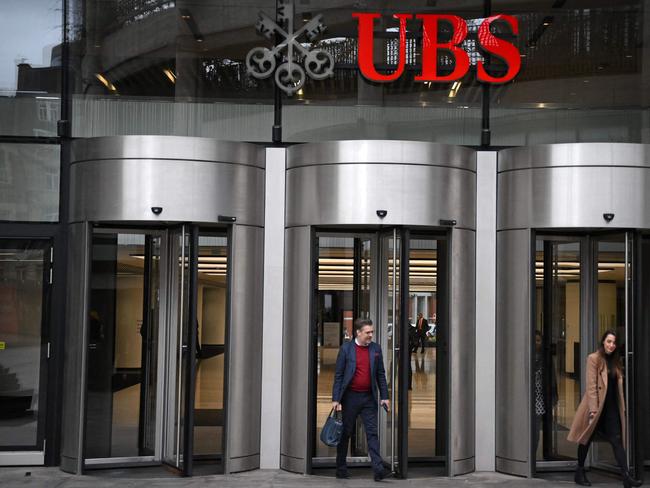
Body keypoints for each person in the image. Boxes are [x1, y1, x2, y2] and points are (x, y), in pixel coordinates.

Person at [567, 330, 642, 487]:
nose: (611, 345)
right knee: (585, 440)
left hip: (611, 409)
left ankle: (626, 477)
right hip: (596, 408)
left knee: (617, 441)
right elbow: (592, 386)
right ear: (603, 342)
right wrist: (593, 410)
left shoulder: (615, 362)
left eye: (614, 342)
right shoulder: (594, 359)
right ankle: (579, 472)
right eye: (609, 341)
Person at [332, 318, 391, 481]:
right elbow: (339, 376)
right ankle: (341, 468)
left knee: (372, 433)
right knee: (346, 433)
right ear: (358, 332)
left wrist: (385, 396)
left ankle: (378, 470)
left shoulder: (375, 349)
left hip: (368, 398)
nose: (371, 335)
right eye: (368, 332)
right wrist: (336, 399)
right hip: (349, 398)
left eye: (372, 332)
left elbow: (380, 375)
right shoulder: (346, 349)